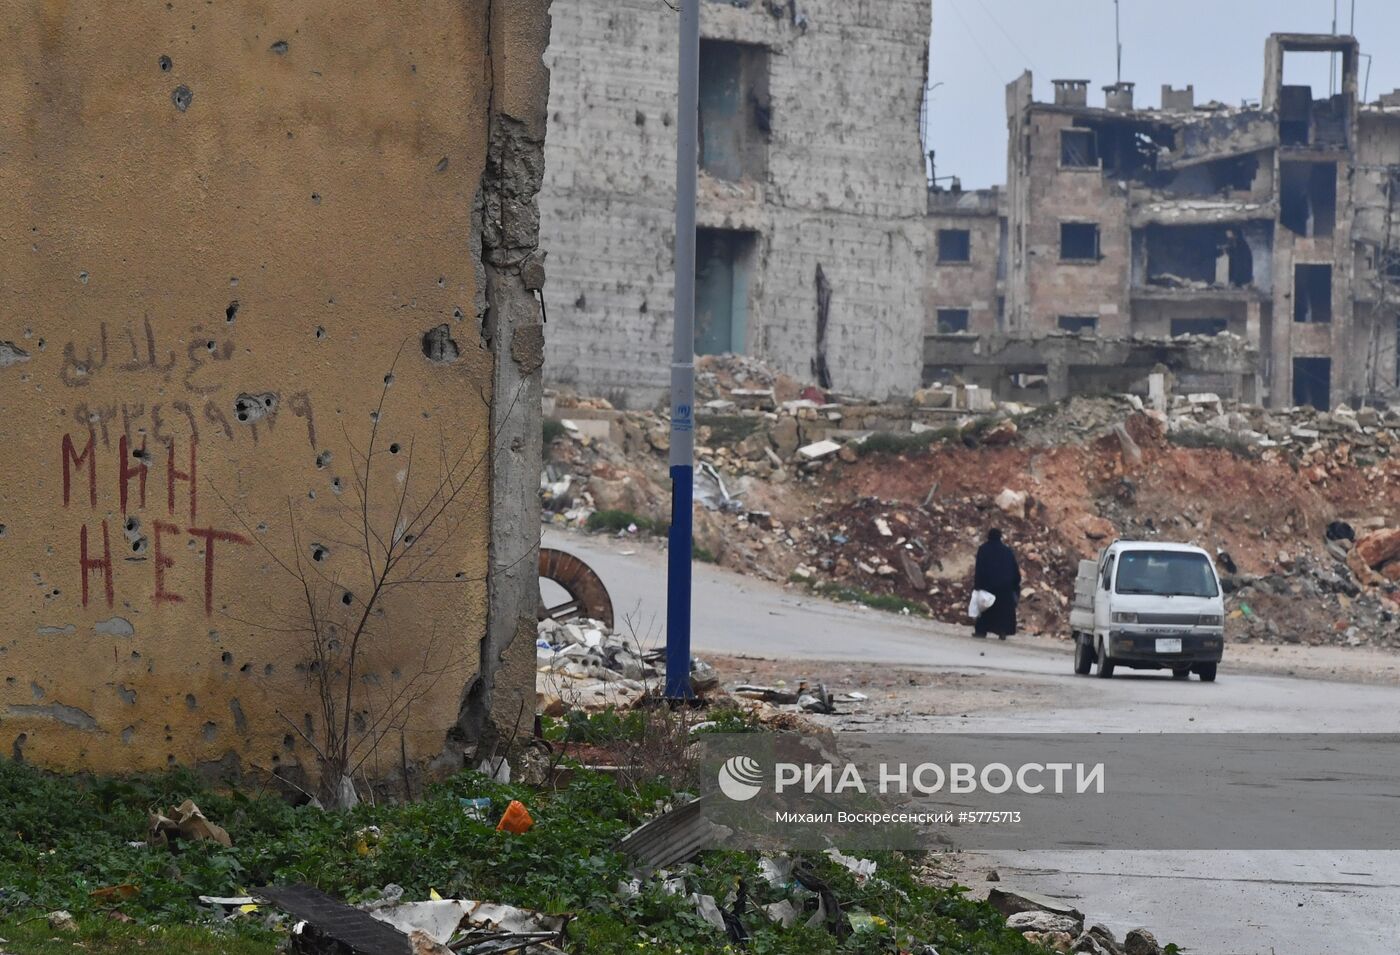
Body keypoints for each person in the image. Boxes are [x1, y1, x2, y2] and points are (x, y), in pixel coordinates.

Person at [973, 528, 1021, 639]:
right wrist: (1015, 585)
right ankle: (1002, 632)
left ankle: (981, 631)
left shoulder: (983, 549)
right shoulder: (1007, 551)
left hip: (988, 586)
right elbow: (1014, 570)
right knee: (1003, 612)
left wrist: (977, 585)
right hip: (1005, 587)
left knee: (985, 610)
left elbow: (979, 568)